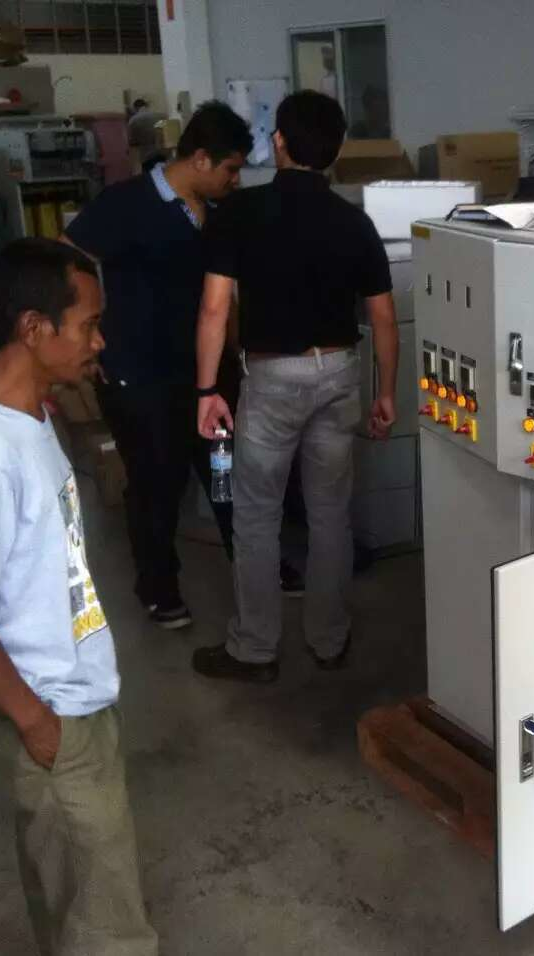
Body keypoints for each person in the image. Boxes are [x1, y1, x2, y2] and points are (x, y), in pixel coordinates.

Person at [0, 239, 157, 955]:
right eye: (87, 324)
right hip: (50, 713)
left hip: (73, 698)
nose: (99, 340)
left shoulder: (28, 412)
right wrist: (37, 724)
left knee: (73, 903)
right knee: (109, 927)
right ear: (33, 329)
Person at [193, 90, 397, 683]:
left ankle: (255, 649)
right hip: (339, 373)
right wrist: (387, 393)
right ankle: (328, 639)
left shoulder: (240, 213)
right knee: (331, 513)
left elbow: (213, 310)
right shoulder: (355, 222)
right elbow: (382, 318)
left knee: (257, 514)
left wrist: (209, 389)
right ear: (333, 152)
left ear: (278, 140)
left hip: (274, 379)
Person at [64, 101, 255, 629]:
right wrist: (93, 335)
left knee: (224, 475)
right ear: (199, 158)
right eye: (230, 169)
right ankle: (158, 587)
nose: (234, 181)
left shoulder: (216, 212)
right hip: (140, 377)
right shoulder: (125, 204)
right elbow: (64, 260)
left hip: (208, 380)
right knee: (156, 485)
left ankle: (253, 567)